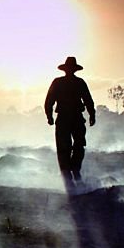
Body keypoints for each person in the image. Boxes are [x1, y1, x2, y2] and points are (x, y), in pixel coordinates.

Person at [44, 56, 95, 186]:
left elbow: (88, 100)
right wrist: (49, 116)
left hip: (72, 118)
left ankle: (73, 171)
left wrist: (92, 114)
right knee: (68, 146)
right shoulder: (76, 82)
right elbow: (49, 101)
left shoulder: (67, 82)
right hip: (69, 118)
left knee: (74, 146)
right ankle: (69, 174)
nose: (70, 71)